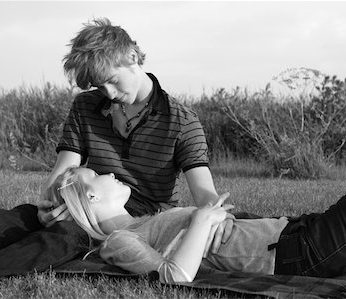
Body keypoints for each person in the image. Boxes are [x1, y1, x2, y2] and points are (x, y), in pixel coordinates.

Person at [0, 163, 346, 295]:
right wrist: (202, 222)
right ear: (92, 198)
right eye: (100, 176)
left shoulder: (146, 219)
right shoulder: (120, 241)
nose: (112, 175)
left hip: (305, 232)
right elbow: (175, 276)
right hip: (304, 251)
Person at [36, 17, 233, 255]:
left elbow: (203, 190)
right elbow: (64, 168)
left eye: (111, 80)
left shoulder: (182, 121)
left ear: (132, 58)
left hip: (145, 223)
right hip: (95, 207)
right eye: (100, 87)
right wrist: (47, 203)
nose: (108, 93)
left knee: (63, 238)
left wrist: (217, 213)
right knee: (15, 219)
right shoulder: (85, 106)